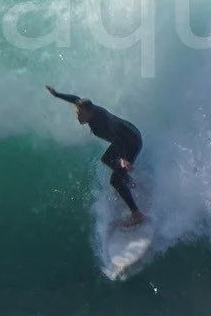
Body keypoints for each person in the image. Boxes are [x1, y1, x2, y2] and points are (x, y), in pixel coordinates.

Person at [45, 87, 146, 227]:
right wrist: (56, 95)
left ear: (88, 111)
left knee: (115, 180)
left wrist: (124, 159)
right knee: (106, 159)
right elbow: (75, 99)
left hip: (131, 142)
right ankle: (129, 182)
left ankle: (137, 215)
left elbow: (120, 136)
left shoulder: (104, 121)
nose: (77, 116)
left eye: (79, 113)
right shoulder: (89, 109)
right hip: (125, 136)